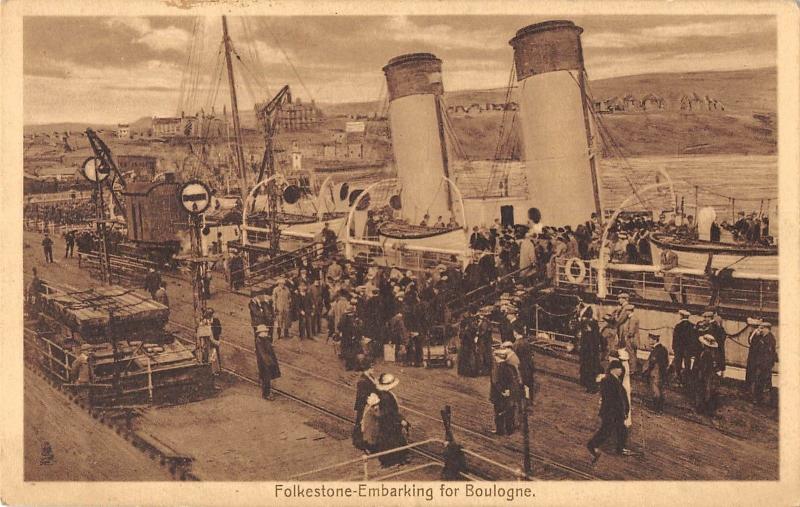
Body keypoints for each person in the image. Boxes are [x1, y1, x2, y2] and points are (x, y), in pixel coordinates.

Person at [587, 360, 632, 463]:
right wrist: (621, 410)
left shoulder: (614, 379)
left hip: (615, 412)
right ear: (614, 369)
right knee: (606, 431)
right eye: (620, 369)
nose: (621, 371)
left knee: (621, 429)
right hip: (611, 412)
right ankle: (592, 445)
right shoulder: (609, 380)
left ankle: (620, 448)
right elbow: (613, 399)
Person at [372, 373, 409, 467]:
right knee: (391, 442)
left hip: (387, 421)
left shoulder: (385, 394)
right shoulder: (386, 397)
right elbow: (391, 412)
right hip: (389, 422)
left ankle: (392, 460)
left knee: (390, 441)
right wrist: (401, 420)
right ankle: (391, 462)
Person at [489, 346, 520, 436]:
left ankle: (499, 430)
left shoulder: (496, 369)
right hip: (508, 393)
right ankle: (509, 429)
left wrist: (502, 391)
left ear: (497, 357)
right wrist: (508, 390)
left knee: (498, 412)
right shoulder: (509, 368)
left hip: (498, 394)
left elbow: (495, 382)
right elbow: (513, 380)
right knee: (508, 410)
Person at [745, 321, 777, 405]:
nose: (760, 330)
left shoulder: (770, 339)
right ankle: (758, 398)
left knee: (761, 381)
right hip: (760, 363)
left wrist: (763, 364)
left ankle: (760, 399)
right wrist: (755, 334)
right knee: (759, 380)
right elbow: (752, 344)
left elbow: (768, 354)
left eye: (762, 328)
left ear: (767, 329)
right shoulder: (762, 337)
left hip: (764, 364)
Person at [352, 355, 377, 450]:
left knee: (366, 423)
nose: (373, 368)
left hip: (368, 405)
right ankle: (359, 442)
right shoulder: (363, 381)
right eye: (372, 367)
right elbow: (362, 396)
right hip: (363, 406)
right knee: (361, 423)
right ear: (367, 368)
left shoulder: (369, 377)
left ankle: (364, 441)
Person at [578, 307, 604, 393]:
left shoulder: (586, 324)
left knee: (590, 368)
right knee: (590, 367)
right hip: (591, 350)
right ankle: (590, 384)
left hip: (589, 350)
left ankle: (591, 386)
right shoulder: (593, 324)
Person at [693, 334, 719, 416]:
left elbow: (703, 366)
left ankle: (700, 408)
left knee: (701, 390)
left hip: (704, 375)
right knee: (708, 391)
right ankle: (707, 407)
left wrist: (700, 374)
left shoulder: (705, 354)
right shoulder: (712, 353)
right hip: (710, 375)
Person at [643, 333, 669, 413]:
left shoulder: (656, 350)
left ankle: (657, 408)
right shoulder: (664, 349)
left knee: (655, 390)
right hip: (662, 372)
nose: (648, 341)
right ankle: (660, 408)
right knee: (661, 389)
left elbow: (652, 362)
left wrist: (646, 371)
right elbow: (667, 362)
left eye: (650, 339)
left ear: (654, 340)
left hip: (655, 373)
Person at [254, 324, 281, 400]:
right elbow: (263, 354)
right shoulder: (259, 341)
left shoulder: (265, 339)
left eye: (266, 332)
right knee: (266, 379)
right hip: (265, 364)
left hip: (267, 362)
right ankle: (266, 394)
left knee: (267, 378)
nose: (266, 333)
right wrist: (269, 363)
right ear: (260, 333)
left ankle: (267, 392)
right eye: (264, 332)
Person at [207, 309, 223, 373]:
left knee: (216, 354)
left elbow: (219, 329)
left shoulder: (216, 321)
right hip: (210, 340)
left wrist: (217, 337)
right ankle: (212, 370)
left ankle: (218, 369)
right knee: (211, 354)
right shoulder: (206, 321)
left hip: (215, 338)